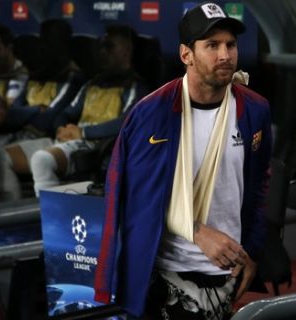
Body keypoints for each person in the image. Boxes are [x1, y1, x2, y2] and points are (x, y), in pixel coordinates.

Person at [94, 2, 272, 319]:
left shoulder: (255, 109)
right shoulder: (152, 114)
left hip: (229, 275)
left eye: (230, 45)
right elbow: (137, 198)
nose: (225, 55)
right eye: (212, 45)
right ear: (185, 54)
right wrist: (197, 232)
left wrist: (253, 252)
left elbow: (260, 186)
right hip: (168, 273)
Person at [0, 24, 148, 199]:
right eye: (101, 47)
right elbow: (65, 114)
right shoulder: (91, 84)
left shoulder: (136, 87)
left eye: (109, 46)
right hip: (70, 139)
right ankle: (14, 219)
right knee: (3, 157)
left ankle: (48, 221)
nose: (102, 52)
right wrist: (62, 128)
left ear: (126, 51)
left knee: (41, 160)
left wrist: (83, 132)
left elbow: (127, 121)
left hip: (95, 144)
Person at [0, 19, 84, 202]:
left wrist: (26, 114)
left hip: (44, 137)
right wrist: (35, 109)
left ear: (63, 45)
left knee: (1, 157)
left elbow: (49, 120)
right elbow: (11, 115)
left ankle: (16, 214)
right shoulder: (35, 76)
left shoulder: (73, 78)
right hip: (18, 132)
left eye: (51, 42)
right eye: (43, 41)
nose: (45, 48)